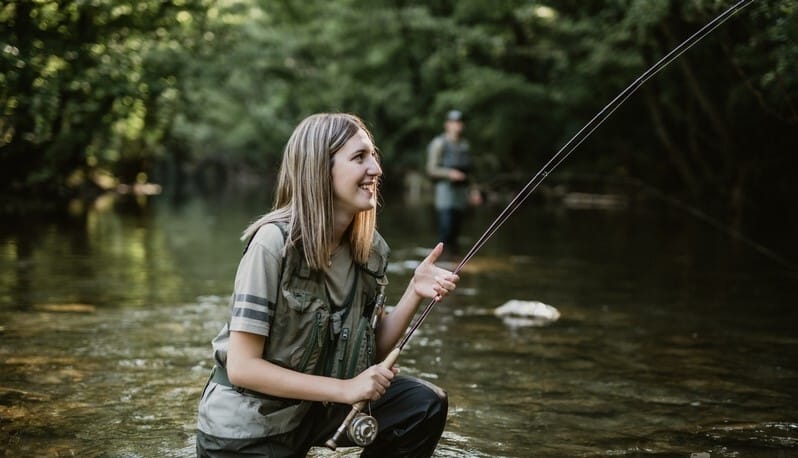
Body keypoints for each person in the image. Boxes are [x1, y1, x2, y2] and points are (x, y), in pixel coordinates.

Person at [196, 113, 460, 457]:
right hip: (247, 428)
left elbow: (370, 354)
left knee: (422, 406)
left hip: (310, 411)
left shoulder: (371, 251)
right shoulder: (271, 245)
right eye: (359, 157)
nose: (377, 170)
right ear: (320, 169)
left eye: (373, 156)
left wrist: (414, 292)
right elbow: (243, 368)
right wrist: (345, 389)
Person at [426, 110, 482, 255]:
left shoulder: (465, 145)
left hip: (461, 195)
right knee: (445, 233)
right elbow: (431, 169)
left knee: (456, 234)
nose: (458, 126)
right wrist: (449, 173)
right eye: (454, 122)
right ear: (447, 125)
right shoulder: (439, 143)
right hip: (445, 194)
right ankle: (443, 262)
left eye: (460, 122)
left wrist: (474, 191)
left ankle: (453, 263)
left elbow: (471, 172)